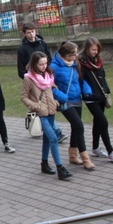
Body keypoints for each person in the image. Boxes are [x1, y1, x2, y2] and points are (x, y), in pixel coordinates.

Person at [21, 52, 72, 180]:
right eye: (41, 64)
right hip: (40, 114)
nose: (44, 66)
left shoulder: (48, 74)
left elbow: (51, 90)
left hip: (51, 111)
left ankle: (44, 164)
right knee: (54, 139)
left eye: (46, 63)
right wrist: (35, 106)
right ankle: (60, 168)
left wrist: (55, 101)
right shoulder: (29, 78)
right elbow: (23, 97)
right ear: (34, 64)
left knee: (47, 139)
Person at [51, 41, 95, 170]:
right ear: (65, 55)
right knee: (79, 127)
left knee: (76, 128)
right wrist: (60, 96)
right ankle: (86, 158)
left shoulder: (75, 64)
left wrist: (86, 90)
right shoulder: (54, 67)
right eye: (73, 54)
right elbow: (49, 86)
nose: (76, 56)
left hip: (77, 99)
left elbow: (80, 80)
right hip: (66, 101)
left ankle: (73, 156)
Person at [79, 37, 113, 163]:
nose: (95, 52)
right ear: (87, 49)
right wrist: (86, 92)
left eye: (97, 49)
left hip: (101, 95)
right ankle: (111, 151)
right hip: (90, 97)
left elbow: (102, 77)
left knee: (98, 122)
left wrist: (106, 91)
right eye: (93, 49)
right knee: (103, 122)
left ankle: (95, 148)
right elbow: (80, 79)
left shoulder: (98, 60)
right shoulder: (81, 62)